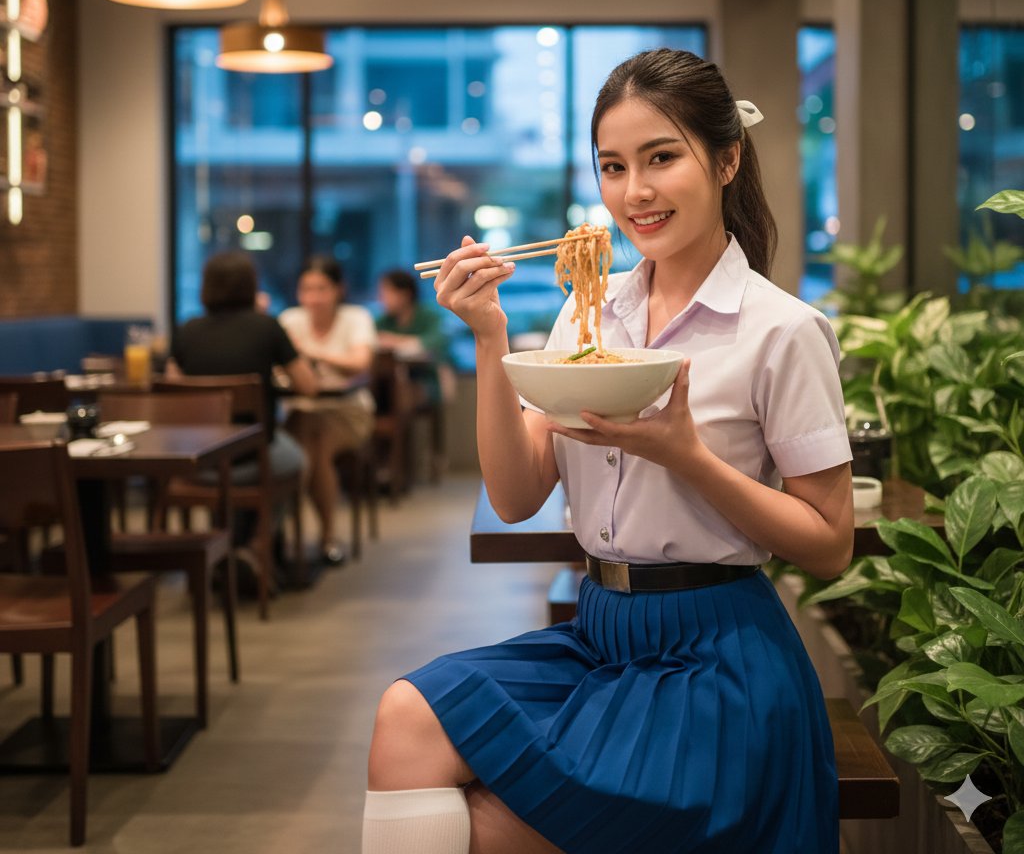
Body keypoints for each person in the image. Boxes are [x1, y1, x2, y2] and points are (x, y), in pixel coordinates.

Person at [363, 49, 854, 854]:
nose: (635, 193)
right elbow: (518, 494)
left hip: (717, 659)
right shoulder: (589, 317)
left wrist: (685, 455)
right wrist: (490, 337)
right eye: (614, 166)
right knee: (404, 717)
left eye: (662, 158)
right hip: (600, 637)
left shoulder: (782, 331)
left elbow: (829, 543)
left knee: (482, 832)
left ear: (727, 159)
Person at [167, 251, 317, 569]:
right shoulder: (266, 326)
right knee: (300, 461)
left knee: (240, 459)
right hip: (253, 458)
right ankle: (256, 547)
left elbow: (173, 389)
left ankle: (221, 547)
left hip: (201, 461)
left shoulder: (188, 330)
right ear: (252, 286)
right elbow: (309, 386)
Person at [279, 255, 377, 565]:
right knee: (303, 431)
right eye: (306, 289)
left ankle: (325, 537)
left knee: (315, 440)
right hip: (299, 410)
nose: (313, 297)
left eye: (321, 289)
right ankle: (280, 539)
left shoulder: (356, 318)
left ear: (338, 290)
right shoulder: (289, 320)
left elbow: (360, 364)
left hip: (348, 412)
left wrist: (309, 353)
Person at [376, 269, 454, 407]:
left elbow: (437, 342)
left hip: (426, 379)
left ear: (404, 295)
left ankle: (400, 429)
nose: (381, 299)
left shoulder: (429, 316)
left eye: (386, 293)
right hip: (387, 383)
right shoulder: (383, 321)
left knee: (403, 392)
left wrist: (395, 342)